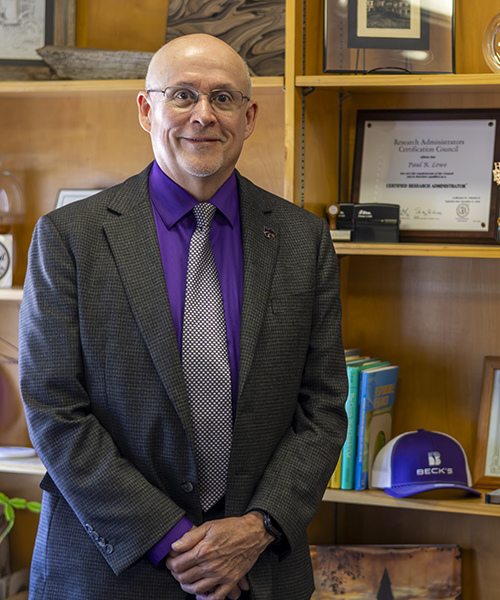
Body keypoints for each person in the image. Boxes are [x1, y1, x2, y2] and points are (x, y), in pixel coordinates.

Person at [19, 33, 348, 600]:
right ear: (146, 110)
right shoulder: (70, 238)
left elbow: (322, 408)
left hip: (258, 568)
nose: (203, 116)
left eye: (223, 99)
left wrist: (258, 527)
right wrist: (174, 539)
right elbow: (53, 408)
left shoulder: (302, 240)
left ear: (249, 117)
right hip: (109, 569)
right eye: (182, 96)